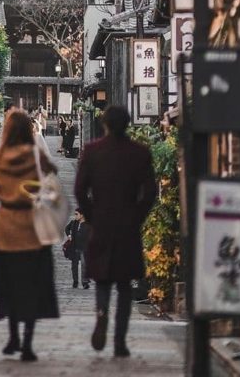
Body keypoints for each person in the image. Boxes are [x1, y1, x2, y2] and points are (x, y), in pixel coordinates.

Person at [74, 105, 156, 358]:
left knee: (102, 279)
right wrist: (138, 216)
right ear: (128, 124)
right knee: (124, 284)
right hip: (128, 224)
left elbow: (79, 190)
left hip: (101, 222)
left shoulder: (92, 151)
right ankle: (120, 341)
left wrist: (91, 215)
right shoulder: (139, 153)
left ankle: (101, 313)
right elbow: (150, 192)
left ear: (105, 124)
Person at [0, 108, 60, 362]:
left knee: (8, 284)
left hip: (5, 226)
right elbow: (51, 175)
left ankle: (12, 338)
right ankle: (27, 343)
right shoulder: (36, 156)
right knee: (32, 285)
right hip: (31, 226)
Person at [64, 209, 90, 288]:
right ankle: (75, 281)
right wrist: (69, 235)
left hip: (84, 248)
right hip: (74, 247)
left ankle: (85, 282)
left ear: (82, 215)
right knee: (74, 266)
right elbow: (66, 228)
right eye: (75, 214)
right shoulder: (73, 222)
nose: (75, 216)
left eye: (76, 214)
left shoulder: (88, 224)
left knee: (84, 265)